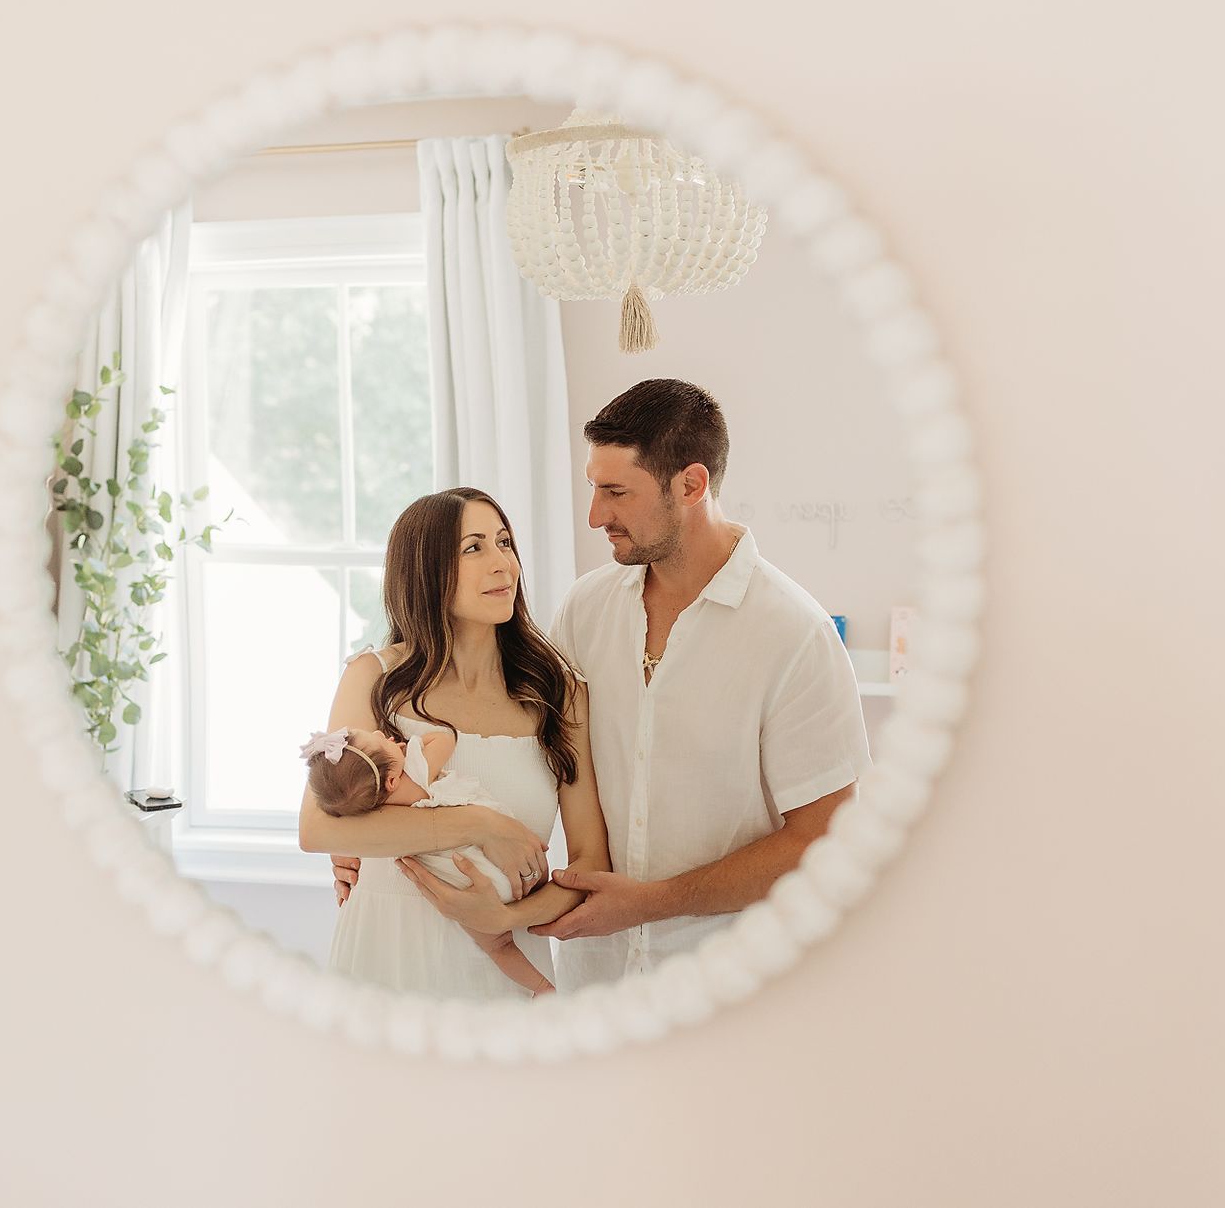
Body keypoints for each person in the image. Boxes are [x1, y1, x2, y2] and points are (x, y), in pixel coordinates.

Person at [398, 379, 871, 990]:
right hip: (595, 980)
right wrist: (374, 825)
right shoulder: (586, 609)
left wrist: (652, 902)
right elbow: (504, 741)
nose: (596, 515)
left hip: (736, 987)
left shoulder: (794, 635)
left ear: (691, 486)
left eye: (616, 492)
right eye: (594, 488)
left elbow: (823, 839)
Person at [297, 487, 609, 1000]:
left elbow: (591, 861)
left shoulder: (560, 693)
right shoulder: (374, 678)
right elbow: (317, 828)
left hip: (506, 970)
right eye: (474, 548)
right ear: (426, 570)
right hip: (385, 962)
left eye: (505, 543)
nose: (502, 563)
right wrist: (482, 825)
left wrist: (507, 916)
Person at [303, 725, 553, 996]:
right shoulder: (416, 774)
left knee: (498, 946)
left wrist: (388, 754)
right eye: (379, 742)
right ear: (391, 782)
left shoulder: (374, 812)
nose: (380, 733)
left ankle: (541, 987)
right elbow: (445, 739)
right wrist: (410, 747)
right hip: (494, 864)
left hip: (463, 885)